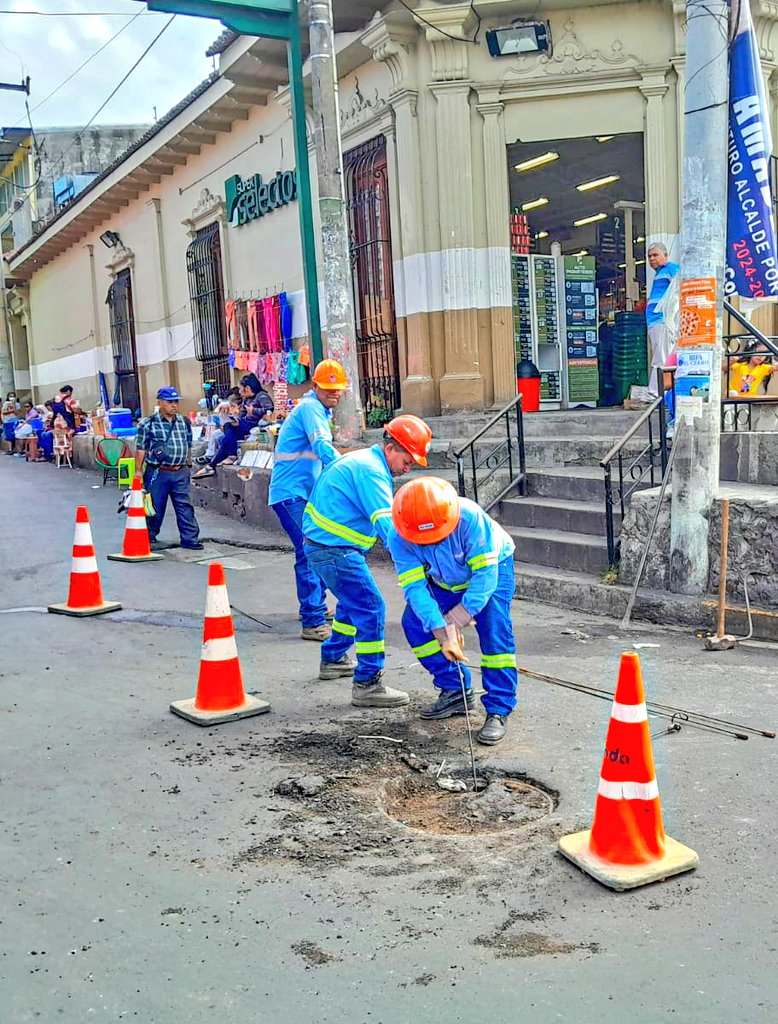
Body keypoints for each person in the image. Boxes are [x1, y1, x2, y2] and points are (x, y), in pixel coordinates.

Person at [303, 414, 432, 708]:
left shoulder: (364, 462)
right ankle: (367, 683)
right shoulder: (372, 471)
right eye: (407, 461)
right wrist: (417, 562)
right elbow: (388, 526)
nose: (407, 469)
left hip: (325, 546)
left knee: (354, 603)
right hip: (334, 549)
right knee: (372, 607)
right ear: (390, 448)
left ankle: (334, 657)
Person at [388, 476, 518, 745]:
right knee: (415, 624)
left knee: (494, 631)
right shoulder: (398, 533)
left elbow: (485, 574)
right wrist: (439, 627)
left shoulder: (469, 518)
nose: (431, 543)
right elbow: (415, 587)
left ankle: (498, 708)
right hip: (443, 579)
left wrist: (457, 618)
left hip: (494, 568)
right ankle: (455, 689)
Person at [268, 359, 348, 641]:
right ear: (315, 386)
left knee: (314, 548)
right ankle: (313, 619)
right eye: (329, 389)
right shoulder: (313, 409)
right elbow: (323, 446)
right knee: (309, 551)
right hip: (291, 494)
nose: (334, 394)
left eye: (337, 389)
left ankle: (317, 606)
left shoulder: (316, 409)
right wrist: (346, 472)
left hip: (298, 493)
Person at [135, 386, 203, 550]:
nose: (173, 405)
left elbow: (188, 443)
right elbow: (140, 448)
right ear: (160, 402)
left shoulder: (183, 422)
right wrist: (138, 471)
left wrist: (187, 464)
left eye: (175, 402)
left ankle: (189, 538)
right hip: (158, 471)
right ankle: (149, 536)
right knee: (155, 505)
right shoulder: (148, 423)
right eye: (169, 402)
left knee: (184, 505)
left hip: (180, 471)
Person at [194, 373, 273, 477]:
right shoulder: (247, 399)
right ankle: (214, 465)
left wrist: (254, 410)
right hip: (244, 425)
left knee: (227, 432)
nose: (239, 392)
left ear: (248, 388)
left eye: (241, 389)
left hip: (254, 427)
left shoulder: (261, 396)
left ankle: (218, 462)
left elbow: (270, 408)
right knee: (226, 434)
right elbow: (242, 415)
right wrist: (234, 418)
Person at [646, 243, 680, 398]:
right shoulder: (660, 273)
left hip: (662, 320)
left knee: (661, 357)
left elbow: (680, 285)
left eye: (655, 255)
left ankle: (656, 392)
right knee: (661, 355)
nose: (652, 259)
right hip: (655, 321)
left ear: (665, 256)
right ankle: (659, 391)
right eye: (649, 256)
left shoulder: (671, 268)